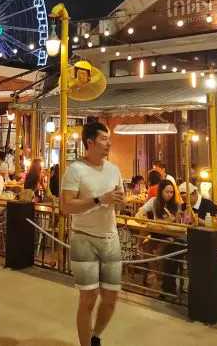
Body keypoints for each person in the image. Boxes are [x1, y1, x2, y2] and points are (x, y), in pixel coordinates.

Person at [61, 122, 123, 346]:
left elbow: (118, 200)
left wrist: (120, 201)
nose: (109, 143)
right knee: (88, 298)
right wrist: (99, 200)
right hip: (83, 238)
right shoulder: (75, 170)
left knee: (111, 298)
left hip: (110, 237)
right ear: (90, 142)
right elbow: (66, 206)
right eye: (104, 139)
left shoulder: (114, 170)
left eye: (109, 139)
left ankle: (95, 336)